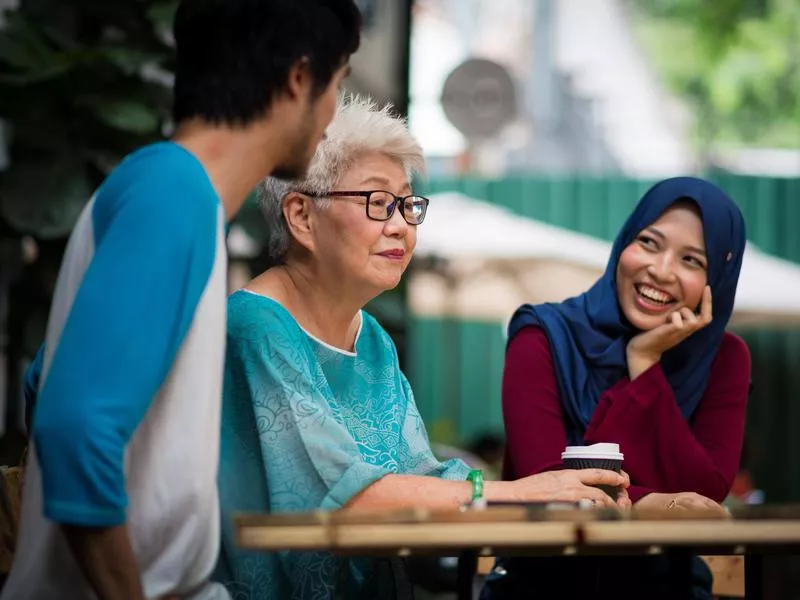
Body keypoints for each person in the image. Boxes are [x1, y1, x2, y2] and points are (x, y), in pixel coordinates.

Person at [3, 2, 361, 599]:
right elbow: (74, 423)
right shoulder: (175, 195)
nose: (332, 115)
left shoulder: (164, 186)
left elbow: (48, 379)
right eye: (339, 84)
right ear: (300, 78)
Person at [215, 96, 630, 600]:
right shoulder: (256, 325)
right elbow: (347, 498)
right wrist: (520, 492)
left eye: (408, 204)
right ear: (301, 216)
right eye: (377, 202)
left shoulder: (371, 338)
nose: (400, 225)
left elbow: (421, 478)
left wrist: (555, 497)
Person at [484, 177, 750, 599]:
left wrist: (644, 365)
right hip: (543, 584)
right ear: (624, 242)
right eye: (648, 242)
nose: (660, 271)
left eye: (692, 261)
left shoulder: (723, 359)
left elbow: (705, 492)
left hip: (670, 587)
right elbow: (543, 481)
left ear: (718, 278)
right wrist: (645, 505)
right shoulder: (542, 336)